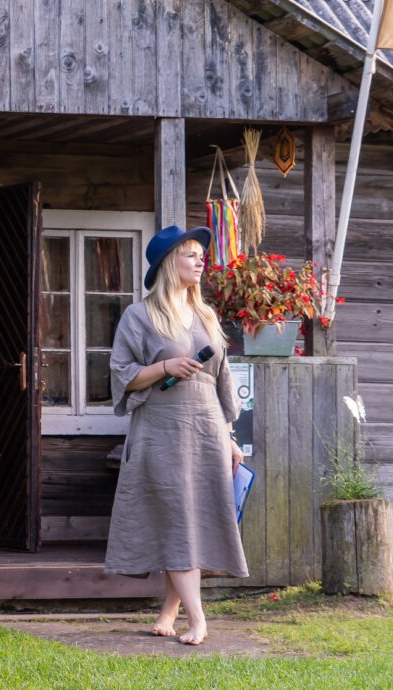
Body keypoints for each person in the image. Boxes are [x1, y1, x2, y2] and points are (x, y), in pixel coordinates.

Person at [104, 225, 247, 646]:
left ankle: (169, 611)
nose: (200, 261)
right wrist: (166, 367)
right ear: (169, 263)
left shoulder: (206, 315)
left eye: (201, 254)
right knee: (177, 519)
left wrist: (230, 436)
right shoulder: (140, 316)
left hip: (207, 432)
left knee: (192, 521)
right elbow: (122, 375)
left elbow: (222, 381)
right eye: (191, 254)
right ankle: (198, 619)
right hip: (161, 434)